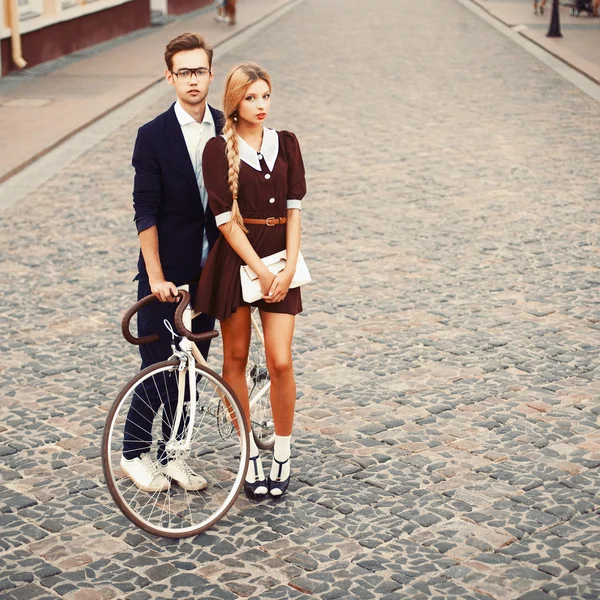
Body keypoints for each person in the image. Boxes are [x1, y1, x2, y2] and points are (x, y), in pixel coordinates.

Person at [197, 62, 306, 499]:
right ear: (234, 104)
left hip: (282, 261)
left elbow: (296, 209)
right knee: (236, 360)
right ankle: (250, 457)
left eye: (265, 96)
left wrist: (288, 267)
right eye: (251, 98)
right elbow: (225, 221)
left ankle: (282, 452)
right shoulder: (215, 150)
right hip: (238, 262)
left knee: (280, 361)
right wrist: (260, 271)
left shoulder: (288, 144)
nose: (261, 106)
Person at [121, 33, 225, 493]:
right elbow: (145, 212)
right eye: (183, 72)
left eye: (199, 70)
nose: (192, 80)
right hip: (165, 275)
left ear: (210, 73)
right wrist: (157, 276)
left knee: (194, 371)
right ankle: (132, 453)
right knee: (160, 367)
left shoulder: (225, 127)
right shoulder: (153, 136)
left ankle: (173, 454)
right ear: (170, 77)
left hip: (209, 273)